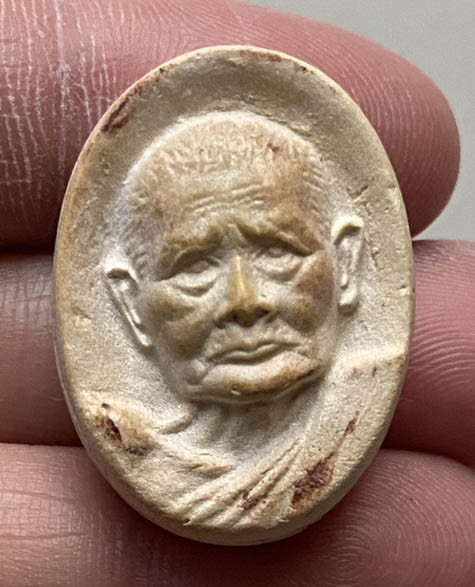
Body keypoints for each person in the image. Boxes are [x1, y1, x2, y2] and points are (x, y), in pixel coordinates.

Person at [0, 1, 473, 585]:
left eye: (277, 252)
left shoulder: (352, 413)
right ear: (129, 305)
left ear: (347, 265)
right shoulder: (141, 444)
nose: (244, 301)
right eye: (195, 268)